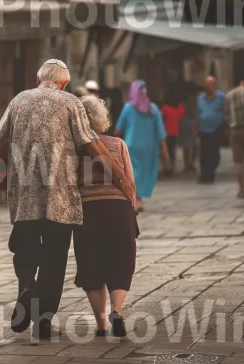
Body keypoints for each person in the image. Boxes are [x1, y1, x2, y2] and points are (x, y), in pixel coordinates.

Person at [0, 59, 136, 340]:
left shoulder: (18, 100)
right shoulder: (70, 102)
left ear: (39, 78)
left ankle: (29, 286)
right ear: (64, 83)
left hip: (24, 195)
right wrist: (120, 179)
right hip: (60, 198)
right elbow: (92, 145)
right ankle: (43, 322)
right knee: (54, 259)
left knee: (24, 250)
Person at [75, 94, 137, 338]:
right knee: (121, 261)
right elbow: (129, 181)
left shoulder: (74, 150)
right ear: (102, 118)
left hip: (88, 210)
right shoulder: (117, 144)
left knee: (91, 266)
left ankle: (101, 325)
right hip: (118, 209)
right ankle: (117, 311)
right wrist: (131, 208)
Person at [116, 80, 169, 213]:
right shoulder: (153, 109)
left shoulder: (128, 108)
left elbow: (118, 130)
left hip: (131, 146)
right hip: (149, 148)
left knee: (133, 172)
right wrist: (164, 148)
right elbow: (160, 131)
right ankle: (138, 199)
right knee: (143, 173)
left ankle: (136, 199)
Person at [196, 76, 225, 184]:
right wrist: (196, 126)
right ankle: (204, 175)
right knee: (203, 153)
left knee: (214, 152)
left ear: (215, 86)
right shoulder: (200, 97)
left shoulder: (221, 97)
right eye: (207, 85)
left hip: (216, 128)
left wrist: (226, 125)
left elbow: (225, 110)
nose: (209, 87)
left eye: (211, 85)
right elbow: (198, 112)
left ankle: (211, 173)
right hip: (203, 129)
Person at [161, 93, 185, 176]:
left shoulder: (165, 108)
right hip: (175, 132)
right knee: (172, 151)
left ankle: (166, 168)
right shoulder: (179, 107)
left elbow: (162, 118)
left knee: (164, 150)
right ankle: (172, 168)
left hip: (166, 132)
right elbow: (181, 117)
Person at [179, 82, 199, 172]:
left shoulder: (182, 99)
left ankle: (187, 164)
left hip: (184, 122)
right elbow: (195, 111)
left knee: (186, 145)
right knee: (195, 145)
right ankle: (190, 163)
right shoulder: (194, 99)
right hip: (190, 121)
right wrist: (196, 124)